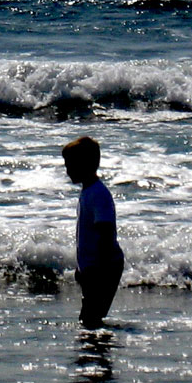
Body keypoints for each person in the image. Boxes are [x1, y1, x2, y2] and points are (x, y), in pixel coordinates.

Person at [62, 135, 124, 328]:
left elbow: (105, 233)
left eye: (70, 165)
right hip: (93, 268)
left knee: (90, 319)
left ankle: (100, 354)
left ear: (84, 164)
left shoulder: (98, 194)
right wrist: (82, 267)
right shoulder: (88, 192)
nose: (67, 170)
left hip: (104, 267)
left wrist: (97, 271)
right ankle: (97, 353)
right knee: (89, 319)